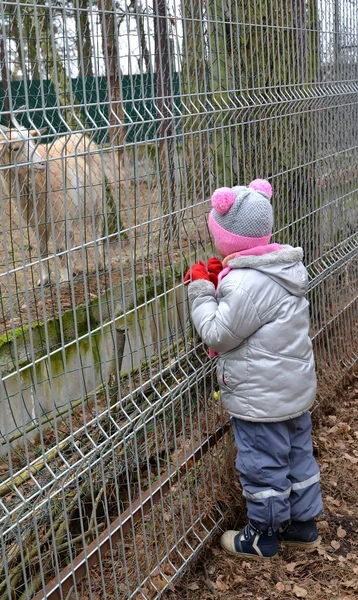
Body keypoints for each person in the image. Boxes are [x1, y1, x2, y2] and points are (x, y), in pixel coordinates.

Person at [184, 179, 323, 559]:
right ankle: (303, 525)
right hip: (292, 390)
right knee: (296, 455)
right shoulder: (283, 268)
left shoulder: (246, 284)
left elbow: (218, 333)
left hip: (261, 398)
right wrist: (223, 282)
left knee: (262, 463)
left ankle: (263, 535)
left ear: (228, 239)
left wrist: (200, 291)